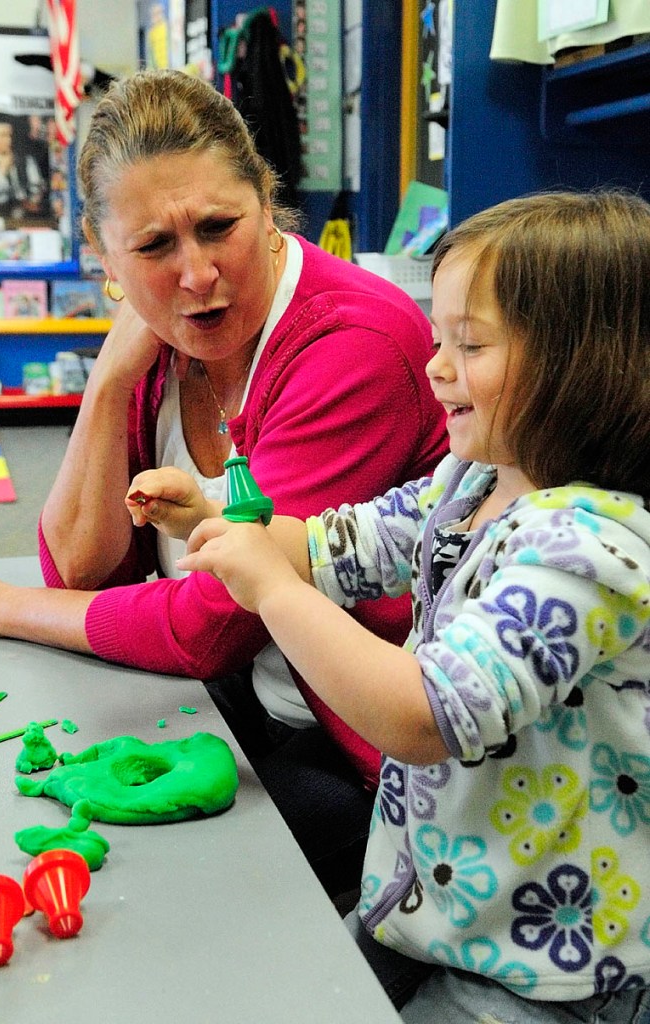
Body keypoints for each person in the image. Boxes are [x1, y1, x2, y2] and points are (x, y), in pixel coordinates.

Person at [0, 68, 448, 899]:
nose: (196, 276)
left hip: (371, 760)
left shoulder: (352, 343)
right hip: (237, 705)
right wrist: (114, 375)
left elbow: (213, 625)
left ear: (266, 203)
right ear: (104, 258)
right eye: (153, 248)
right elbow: (82, 572)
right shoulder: (164, 336)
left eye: (219, 226)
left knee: (149, 892)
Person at [175, 190, 650, 1021]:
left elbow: (424, 716)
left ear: (585, 364)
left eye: (469, 345)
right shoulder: (470, 483)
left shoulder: (595, 551)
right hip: (434, 908)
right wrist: (217, 521)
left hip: (549, 966)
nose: (435, 367)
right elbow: (338, 546)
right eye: (439, 339)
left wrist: (273, 590)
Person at [0, 119, 45, 220]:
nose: (8, 140)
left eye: (10, 135)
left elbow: (37, 186)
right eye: (3, 135)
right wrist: (2, 169)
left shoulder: (25, 160)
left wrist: (33, 200)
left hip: (21, 211)